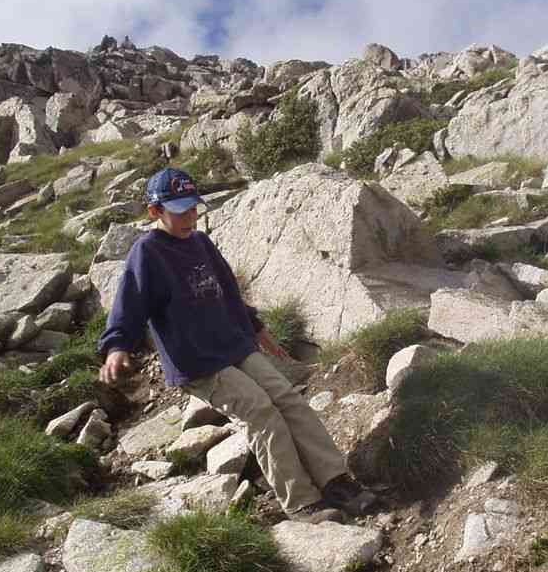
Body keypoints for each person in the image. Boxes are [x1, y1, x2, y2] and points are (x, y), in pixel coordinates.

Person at [97, 167, 377, 524]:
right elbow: (129, 304)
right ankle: (301, 502)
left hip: (233, 344)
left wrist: (257, 329)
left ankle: (335, 480)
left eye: (193, 208)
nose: (190, 218)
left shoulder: (200, 242)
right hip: (197, 361)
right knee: (260, 411)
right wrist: (117, 346)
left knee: (288, 398)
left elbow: (228, 290)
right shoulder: (147, 252)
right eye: (180, 211)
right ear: (155, 212)